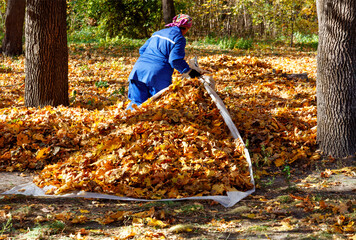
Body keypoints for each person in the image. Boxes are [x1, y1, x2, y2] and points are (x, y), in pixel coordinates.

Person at [126, 14, 201, 110]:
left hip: (138, 70)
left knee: (136, 104)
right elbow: (175, 60)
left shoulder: (157, 33)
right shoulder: (179, 38)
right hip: (158, 75)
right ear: (186, 28)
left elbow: (142, 50)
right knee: (158, 106)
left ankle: (125, 121)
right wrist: (190, 72)